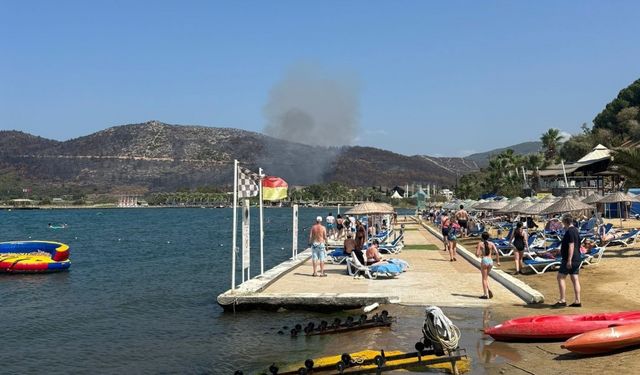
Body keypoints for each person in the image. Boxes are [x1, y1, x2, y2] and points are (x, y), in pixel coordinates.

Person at [553, 214, 582, 308]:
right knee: (575, 279)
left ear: (565, 222)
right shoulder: (576, 231)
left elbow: (571, 245)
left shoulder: (569, 232)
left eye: (562, 222)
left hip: (569, 259)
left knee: (560, 277)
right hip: (577, 258)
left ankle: (562, 300)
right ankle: (577, 301)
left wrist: (569, 260)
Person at [476, 232, 500, 299]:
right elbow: (497, 252)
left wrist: (479, 254)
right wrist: (498, 261)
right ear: (488, 237)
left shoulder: (480, 244)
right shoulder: (491, 243)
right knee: (486, 278)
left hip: (484, 260)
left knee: (484, 279)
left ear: (482, 237)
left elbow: (477, 254)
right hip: (490, 261)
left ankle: (485, 294)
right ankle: (488, 290)